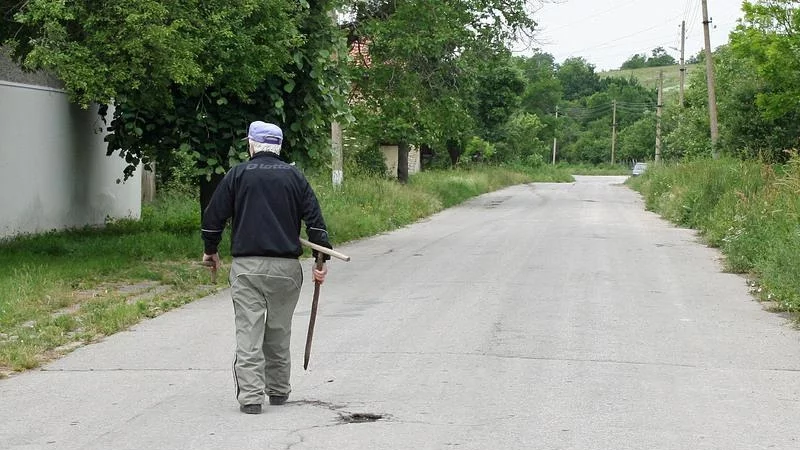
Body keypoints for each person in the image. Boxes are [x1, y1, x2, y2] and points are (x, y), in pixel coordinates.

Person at [201, 121, 332, 415]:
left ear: (251, 144)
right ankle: (279, 391)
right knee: (278, 330)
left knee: (249, 330)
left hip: (247, 268)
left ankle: (250, 398)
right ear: (279, 147)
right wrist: (320, 261)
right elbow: (315, 222)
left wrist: (211, 250)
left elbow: (214, 217)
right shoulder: (294, 176)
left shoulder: (238, 174)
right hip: (286, 269)